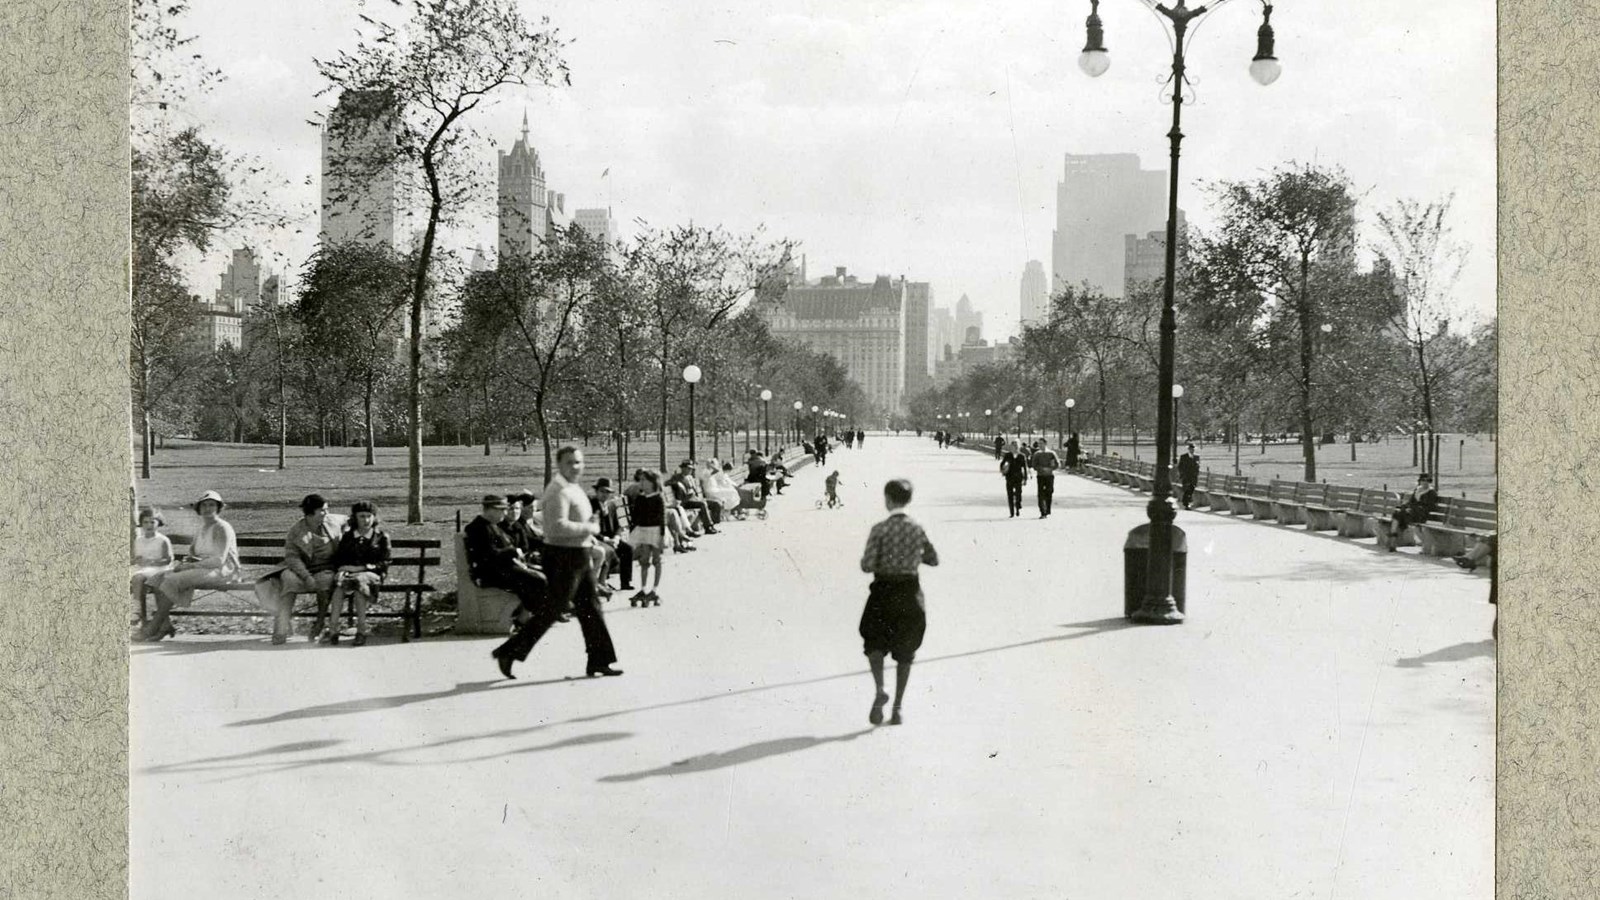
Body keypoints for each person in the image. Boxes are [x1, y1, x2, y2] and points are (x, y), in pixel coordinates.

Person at [493, 446, 622, 679]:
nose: (576, 467)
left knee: (591, 608)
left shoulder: (573, 488)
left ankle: (599, 660)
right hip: (563, 557)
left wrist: (588, 526)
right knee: (552, 609)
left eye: (579, 462)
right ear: (559, 465)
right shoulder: (557, 491)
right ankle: (508, 651)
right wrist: (590, 527)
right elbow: (556, 527)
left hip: (579, 554)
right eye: (570, 462)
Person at [858, 478, 939, 726]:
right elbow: (933, 559)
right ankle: (897, 708)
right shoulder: (917, 528)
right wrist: (911, 557)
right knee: (906, 652)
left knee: (874, 643)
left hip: (883, 592)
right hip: (909, 592)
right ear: (909, 500)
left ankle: (880, 688)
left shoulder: (879, 529)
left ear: (888, 499)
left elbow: (867, 565)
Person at [140, 491, 239, 642]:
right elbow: (193, 553)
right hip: (201, 568)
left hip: (221, 570)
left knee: (171, 580)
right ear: (199, 508)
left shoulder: (222, 528)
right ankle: (165, 625)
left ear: (219, 508)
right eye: (204, 505)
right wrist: (185, 563)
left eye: (212, 505)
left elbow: (219, 560)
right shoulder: (201, 528)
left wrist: (188, 567)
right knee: (157, 578)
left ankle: (154, 626)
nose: (207, 508)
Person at [254, 493, 345, 644]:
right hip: (303, 569)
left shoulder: (332, 521)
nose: (326, 513)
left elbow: (353, 517)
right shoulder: (296, 530)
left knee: (325, 581)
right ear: (310, 513)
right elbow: (292, 558)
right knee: (288, 579)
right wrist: (306, 576)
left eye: (327, 509)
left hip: (327, 568)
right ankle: (282, 626)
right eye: (322, 510)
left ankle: (319, 624)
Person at [464, 493, 548, 626]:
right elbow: (489, 555)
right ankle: (525, 618)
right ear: (490, 509)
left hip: (503, 569)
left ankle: (528, 615)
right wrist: (514, 551)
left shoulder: (491, 525)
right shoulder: (478, 528)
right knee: (538, 580)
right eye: (501, 509)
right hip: (490, 573)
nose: (505, 513)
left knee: (541, 576)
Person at [328, 500, 390, 646]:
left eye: (369, 516)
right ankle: (332, 630)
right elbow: (340, 559)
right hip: (350, 576)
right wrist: (342, 570)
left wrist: (361, 569)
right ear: (355, 518)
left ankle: (361, 630)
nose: (366, 520)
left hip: (372, 575)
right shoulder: (349, 537)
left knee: (358, 587)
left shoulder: (381, 537)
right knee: (338, 588)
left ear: (374, 518)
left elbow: (384, 563)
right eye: (362, 516)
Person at [627, 469, 668, 604]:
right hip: (643, 531)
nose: (642, 483)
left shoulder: (658, 497)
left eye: (645, 480)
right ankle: (643, 588)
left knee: (657, 560)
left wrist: (662, 536)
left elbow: (662, 519)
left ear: (652, 482)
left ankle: (654, 590)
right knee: (644, 561)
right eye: (641, 480)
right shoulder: (640, 498)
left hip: (655, 531)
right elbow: (636, 517)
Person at [590, 477, 635, 594]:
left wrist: (616, 538)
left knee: (627, 549)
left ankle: (625, 582)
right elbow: (591, 528)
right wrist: (605, 539)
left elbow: (619, 526)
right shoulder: (591, 506)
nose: (605, 495)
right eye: (602, 491)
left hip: (611, 538)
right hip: (598, 538)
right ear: (597, 491)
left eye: (607, 492)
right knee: (608, 551)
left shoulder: (612, 506)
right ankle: (601, 581)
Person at [130, 507, 173, 615]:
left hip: (160, 569)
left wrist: (152, 562)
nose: (149, 525)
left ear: (158, 523)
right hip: (144, 568)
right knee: (134, 575)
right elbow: (138, 557)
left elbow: (168, 560)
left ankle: (136, 608)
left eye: (152, 522)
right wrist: (137, 560)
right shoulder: (139, 540)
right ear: (141, 523)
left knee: (137, 577)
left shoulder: (162, 540)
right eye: (145, 522)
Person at [1386, 473, 1438, 551]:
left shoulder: (1431, 492)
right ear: (1420, 481)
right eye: (1423, 480)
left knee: (1401, 514)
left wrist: (1413, 509)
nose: (1425, 482)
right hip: (1412, 512)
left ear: (1429, 481)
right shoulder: (1417, 489)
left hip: (1422, 515)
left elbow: (1429, 507)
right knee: (1397, 513)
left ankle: (1393, 540)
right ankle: (1393, 539)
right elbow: (1411, 502)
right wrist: (1405, 507)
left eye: (1427, 480)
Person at [1029, 439, 1061, 518]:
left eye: (1041, 443)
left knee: (1049, 492)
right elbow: (1034, 465)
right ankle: (1043, 512)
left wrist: (1050, 468)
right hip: (1040, 476)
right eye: (1039, 443)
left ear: (1045, 444)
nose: (1040, 445)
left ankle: (1047, 509)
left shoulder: (1051, 453)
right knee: (1040, 493)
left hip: (1049, 476)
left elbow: (1057, 464)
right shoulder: (1037, 454)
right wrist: (1040, 468)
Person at [1000, 440, 1030, 518]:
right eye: (1013, 446)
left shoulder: (1022, 456)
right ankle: (1012, 512)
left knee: (1018, 494)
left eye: (1016, 445)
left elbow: (1025, 468)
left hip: (1018, 477)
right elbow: (1002, 464)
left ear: (1019, 446)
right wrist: (1003, 470)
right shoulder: (1008, 455)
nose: (1015, 447)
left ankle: (1018, 504)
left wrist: (1025, 479)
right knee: (1010, 494)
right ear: (1011, 447)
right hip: (1009, 477)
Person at [1177, 443, 1201, 510]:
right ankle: (1186, 504)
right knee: (1187, 489)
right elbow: (1180, 467)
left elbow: (1198, 466)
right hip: (1186, 476)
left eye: (1193, 449)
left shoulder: (1197, 457)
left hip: (1193, 477)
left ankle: (1185, 502)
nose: (1192, 450)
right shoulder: (1183, 456)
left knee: (1191, 489)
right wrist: (1182, 474)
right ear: (1188, 449)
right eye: (1191, 449)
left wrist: (1197, 473)